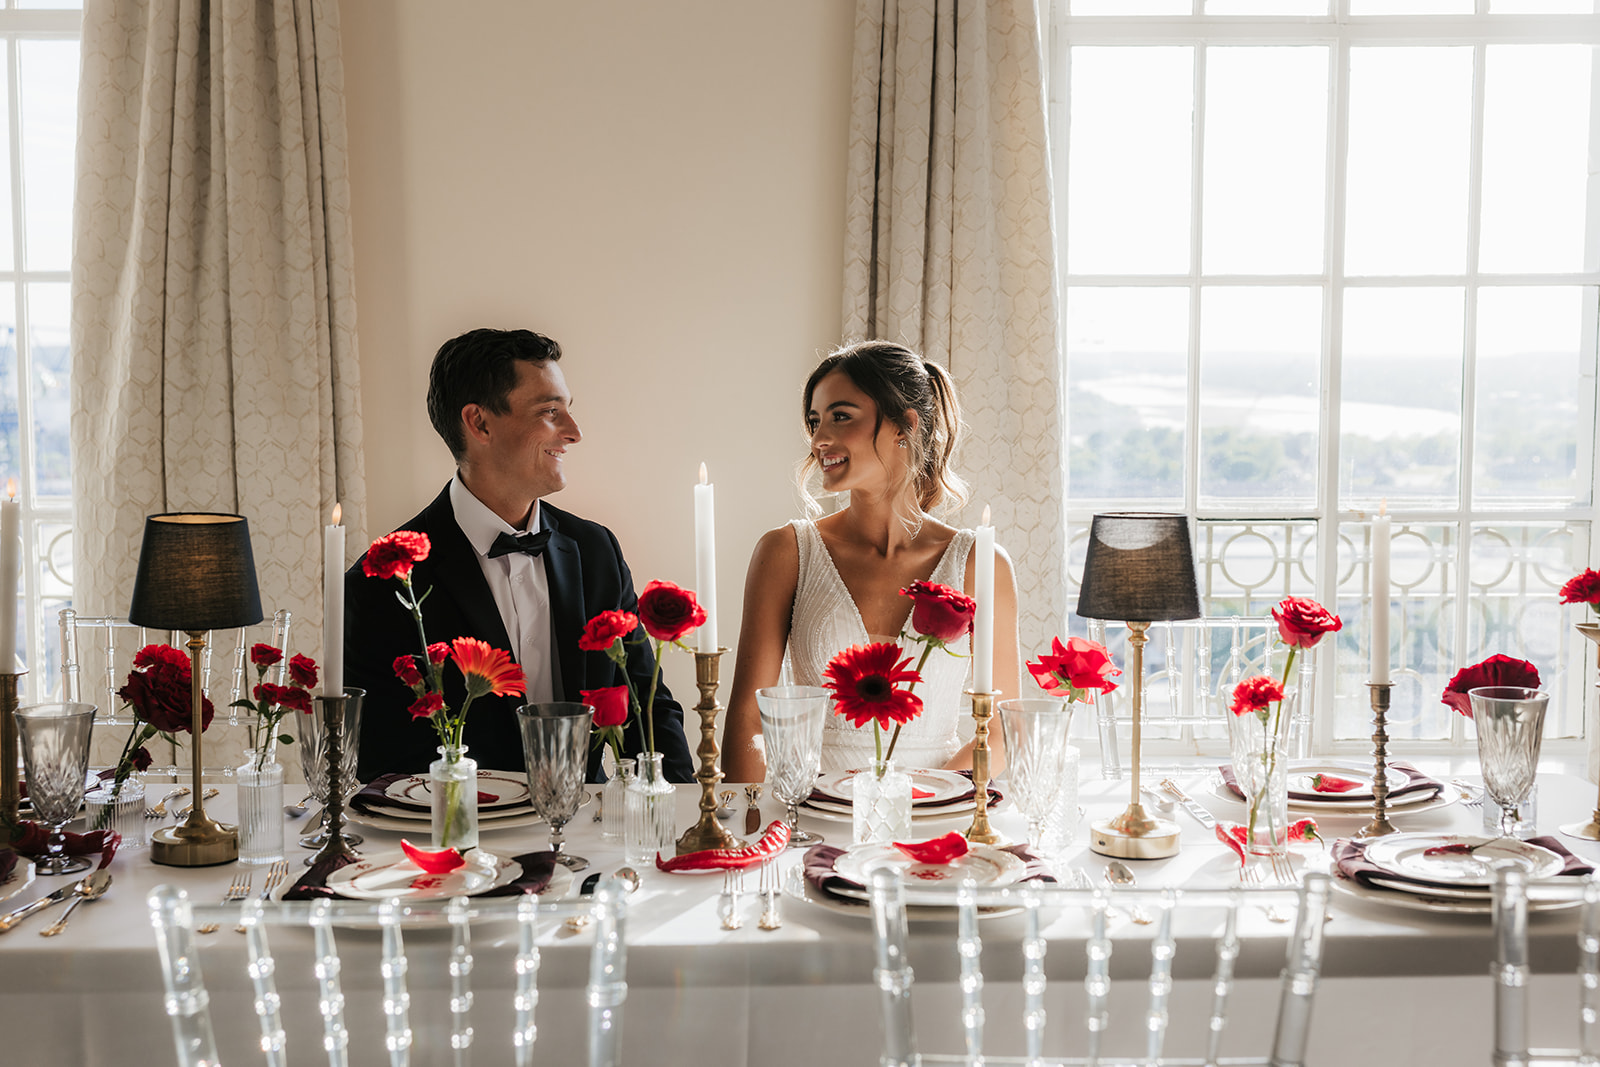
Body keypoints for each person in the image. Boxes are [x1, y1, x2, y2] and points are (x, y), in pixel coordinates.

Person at [348, 327, 695, 784]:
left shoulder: (596, 551)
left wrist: (688, 816)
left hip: (589, 839)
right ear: (480, 423)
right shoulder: (384, 578)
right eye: (551, 412)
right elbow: (383, 757)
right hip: (462, 838)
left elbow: (647, 704)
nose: (574, 432)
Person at [722, 340, 1020, 782]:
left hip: (936, 819)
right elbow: (748, 721)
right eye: (814, 421)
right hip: (810, 817)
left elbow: (999, 732)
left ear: (904, 425)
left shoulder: (979, 562)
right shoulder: (786, 552)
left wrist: (922, 805)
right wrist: (758, 827)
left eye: (841, 416)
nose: (820, 439)